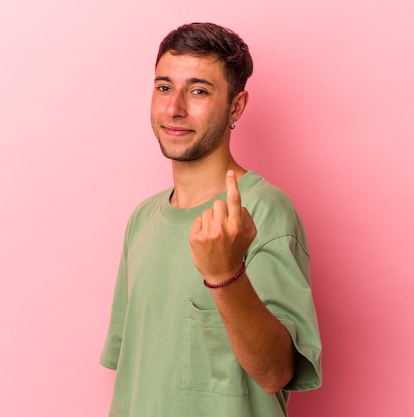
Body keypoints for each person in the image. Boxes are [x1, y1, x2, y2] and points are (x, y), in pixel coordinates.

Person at [101, 22, 322, 417]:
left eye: (199, 91)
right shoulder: (142, 220)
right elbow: (138, 378)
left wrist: (225, 274)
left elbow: (275, 374)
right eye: (164, 87)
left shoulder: (264, 211)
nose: (174, 108)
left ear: (236, 106)